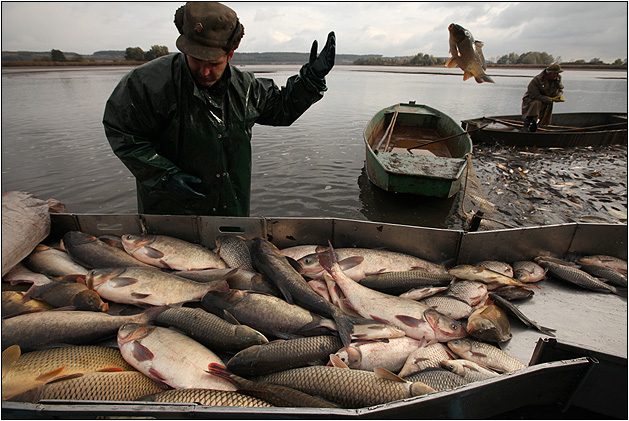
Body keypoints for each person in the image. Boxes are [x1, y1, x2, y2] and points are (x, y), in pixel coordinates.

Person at [103, 2, 335, 216]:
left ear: (230, 54)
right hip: (168, 212)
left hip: (229, 209)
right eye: (196, 60)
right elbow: (122, 130)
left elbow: (282, 108)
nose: (205, 72)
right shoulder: (147, 83)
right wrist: (164, 175)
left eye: (214, 63)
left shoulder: (246, 87)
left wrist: (310, 80)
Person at [521, 64, 565, 132]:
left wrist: (558, 96)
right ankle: (527, 124)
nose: (556, 75)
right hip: (531, 100)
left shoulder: (557, 79)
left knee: (541, 108)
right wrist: (548, 99)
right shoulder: (536, 80)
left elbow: (560, 89)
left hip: (546, 101)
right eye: (555, 74)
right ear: (549, 73)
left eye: (557, 74)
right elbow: (534, 95)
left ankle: (536, 125)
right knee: (537, 103)